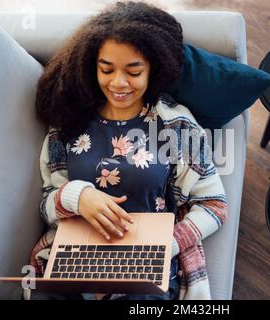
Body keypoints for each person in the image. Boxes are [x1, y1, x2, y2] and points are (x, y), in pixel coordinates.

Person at [27, 1, 227, 300]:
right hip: (76, 259)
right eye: (106, 70)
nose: (118, 83)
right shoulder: (67, 122)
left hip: (146, 268)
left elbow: (215, 206)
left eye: (133, 72)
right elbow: (46, 206)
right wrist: (76, 197)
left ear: (153, 70)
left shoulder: (176, 127)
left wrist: (162, 248)